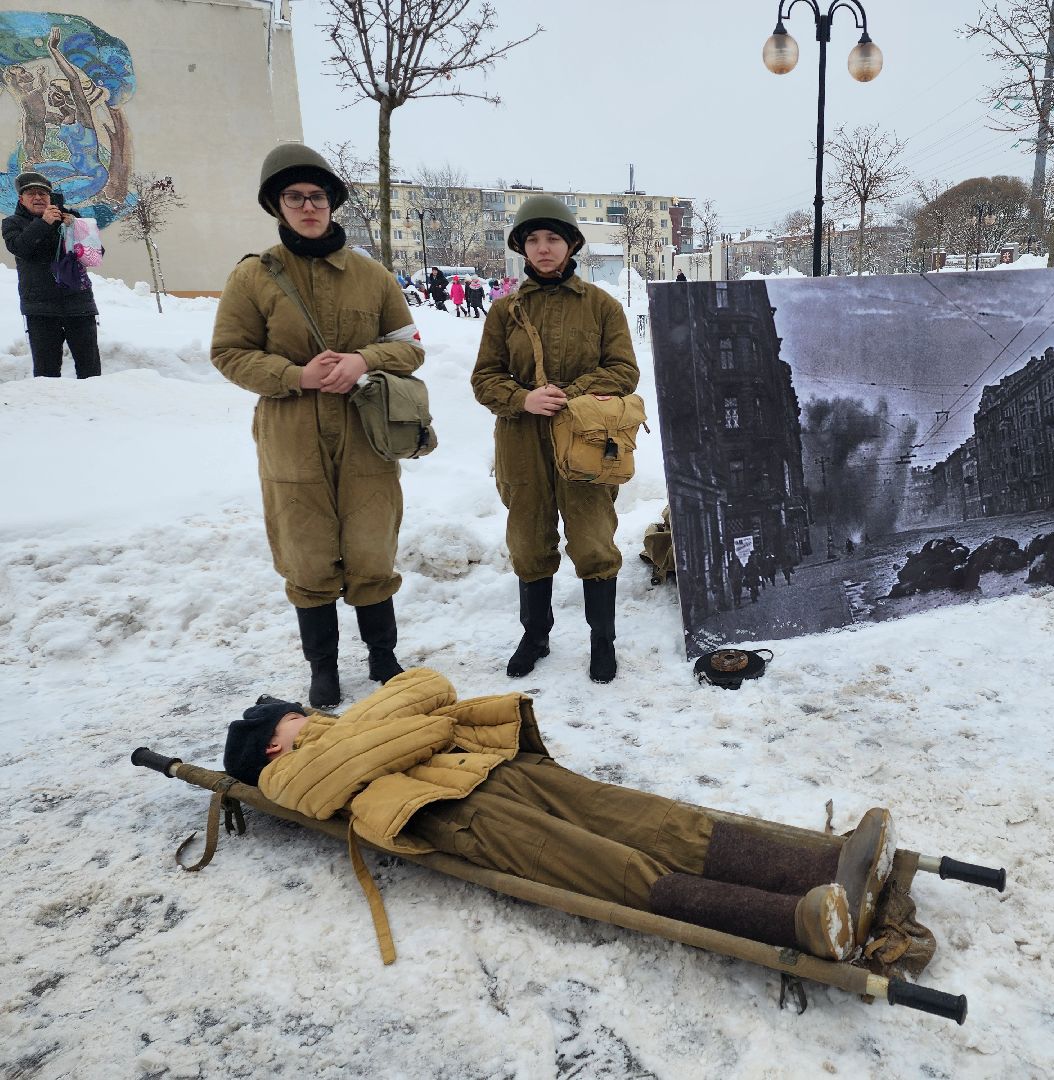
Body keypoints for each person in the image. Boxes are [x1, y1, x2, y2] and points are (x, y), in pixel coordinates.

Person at [224, 668, 893, 962]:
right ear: (273, 742)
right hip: (455, 814)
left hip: (497, 770)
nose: (307, 713)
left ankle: (830, 865)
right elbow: (414, 724)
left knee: (651, 819)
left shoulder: (345, 731)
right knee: (617, 868)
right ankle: (800, 922)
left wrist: (398, 726)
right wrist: (404, 727)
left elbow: (428, 687)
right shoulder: (287, 775)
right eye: (293, 715)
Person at [210, 143, 424, 709]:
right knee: (306, 551)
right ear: (276, 206)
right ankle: (322, 666)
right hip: (291, 433)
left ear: (333, 202)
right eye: (294, 197)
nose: (308, 206)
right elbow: (229, 353)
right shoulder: (254, 278)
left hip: (364, 432)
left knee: (372, 545)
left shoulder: (372, 276)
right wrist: (295, 375)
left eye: (317, 196)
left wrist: (364, 360)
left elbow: (409, 351)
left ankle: (382, 655)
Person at [471, 195, 640, 683]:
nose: (544, 248)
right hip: (522, 442)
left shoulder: (603, 306)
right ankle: (536, 634)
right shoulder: (506, 312)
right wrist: (523, 399)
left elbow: (624, 371)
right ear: (523, 248)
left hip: (588, 441)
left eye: (554, 239)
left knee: (593, 541)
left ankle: (602, 641)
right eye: (534, 240)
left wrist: (572, 395)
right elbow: (485, 378)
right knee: (528, 540)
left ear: (572, 245)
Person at [2, 172, 101, 379]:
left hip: (79, 303)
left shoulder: (69, 218)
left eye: (43, 194)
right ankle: (50, 409)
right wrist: (44, 223)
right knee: (46, 373)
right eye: (31, 193)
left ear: (50, 197)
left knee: (90, 369)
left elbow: (96, 254)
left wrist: (79, 229)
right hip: (40, 308)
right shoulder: (12, 223)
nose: (38, 198)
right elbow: (20, 248)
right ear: (21, 199)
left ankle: (94, 408)